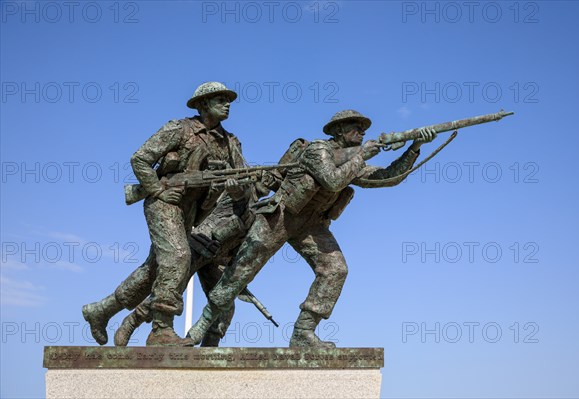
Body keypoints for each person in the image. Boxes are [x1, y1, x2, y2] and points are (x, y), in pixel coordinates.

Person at [183, 109, 437, 347]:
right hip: (280, 216)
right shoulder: (318, 149)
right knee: (241, 271)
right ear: (338, 131)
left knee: (335, 269)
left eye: (363, 128)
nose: (362, 132)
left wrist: (414, 148)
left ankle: (304, 331)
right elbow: (333, 179)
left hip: (311, 224)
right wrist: (362, 156)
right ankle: (201, 327)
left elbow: (386, 178)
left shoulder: (352, 160)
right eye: (355, 127)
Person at [83, 81, 253, 346]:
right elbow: (140, 158)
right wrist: (158, 191)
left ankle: (101, 310)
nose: (227, 103)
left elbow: (244, 181)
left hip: (191, 211)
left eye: (227, 99)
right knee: (179, 257)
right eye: (220, 99)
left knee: (153, 271)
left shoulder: (230, 143)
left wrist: (237, 190)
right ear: (202, 104)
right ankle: (161, 330)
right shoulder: (179, 128)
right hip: (164, 203)